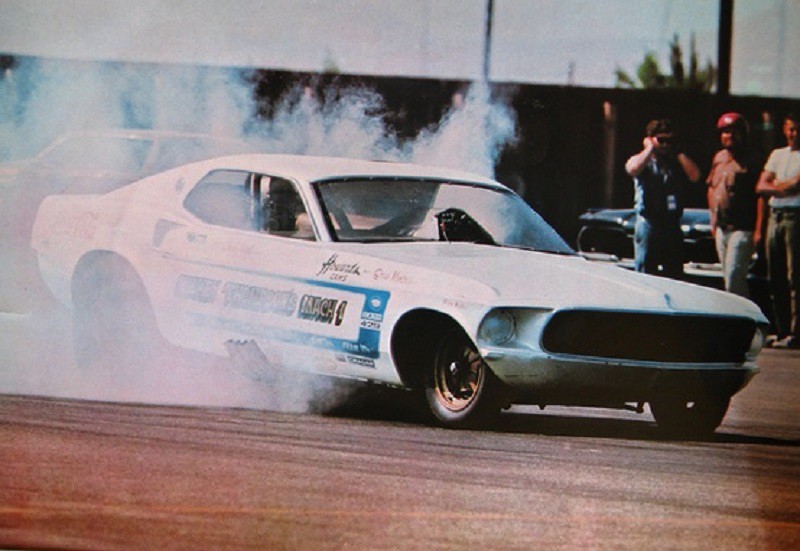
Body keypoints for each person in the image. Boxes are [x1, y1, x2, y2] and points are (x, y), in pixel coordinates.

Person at [625, 119, 701, 278]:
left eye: (670, 141)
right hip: (649, 221)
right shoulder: (644, 161)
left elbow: (695, 176)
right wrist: (650, 148)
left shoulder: (676, 161)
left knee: (674, 272)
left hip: (671, 223)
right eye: (662, 140)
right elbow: (632, 169)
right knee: (646, 270)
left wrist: (679, 153)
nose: (666, 145)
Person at [706, 112, 763, 298]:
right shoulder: (719, 158)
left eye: (733, 132)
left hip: (742, 227)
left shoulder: (752, 160)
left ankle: (746, 321)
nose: (729, 136)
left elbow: (761, 196)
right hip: (722, 227)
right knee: (726, 278)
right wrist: (713, 218)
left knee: (734, 279)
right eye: (725, 132)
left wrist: (758, 230)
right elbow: (711, 188)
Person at [756, 113, 800, 349]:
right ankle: (781, 329)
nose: (794, 134)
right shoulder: (777, 155)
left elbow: (796, 185)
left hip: (795, 217)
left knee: (795, 276)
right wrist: (781, 188)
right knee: (776, 274)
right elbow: (761, 186)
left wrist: (775, 187)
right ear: (785, 129)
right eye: (791, 129)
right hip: (775, 215)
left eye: (798, 129)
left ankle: (795, 332)